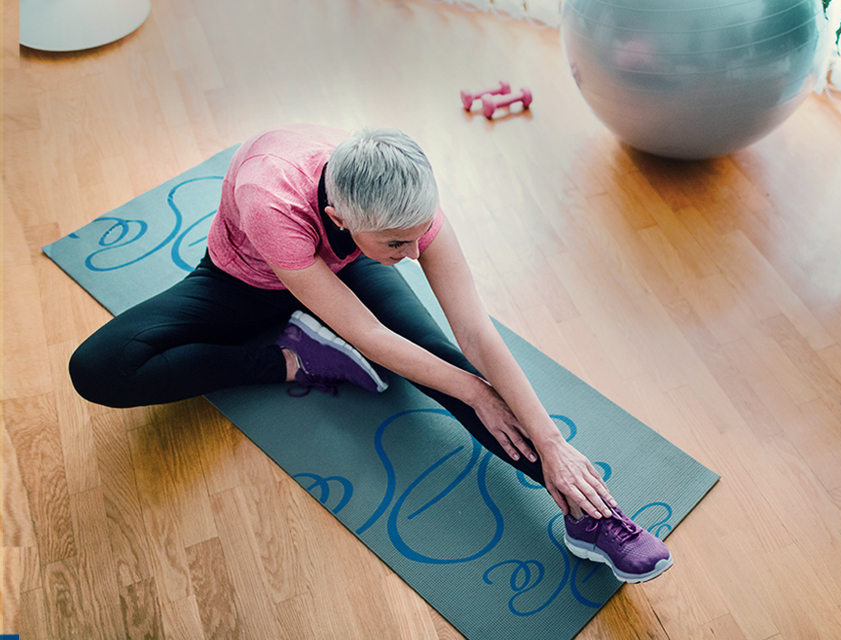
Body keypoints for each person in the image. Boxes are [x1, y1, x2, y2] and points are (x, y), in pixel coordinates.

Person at [69, 124, 673, 583]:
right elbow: (372, 337)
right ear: (338, 216)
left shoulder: (399, 201)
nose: (414, 253)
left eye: (419, 234)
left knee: (443, 358)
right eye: (397, 244)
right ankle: (297, 359)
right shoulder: (272, 201)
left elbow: (476, 333)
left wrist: (552, 444)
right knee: (98, 369)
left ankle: (591, 515)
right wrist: (473, 391)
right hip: (244, 282)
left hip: (345, 269)